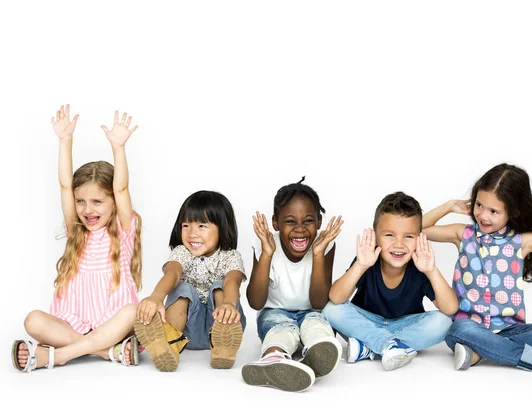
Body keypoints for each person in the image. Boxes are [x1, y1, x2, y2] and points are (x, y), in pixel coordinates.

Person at [423, 163, 532, 375]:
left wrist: (531, 206)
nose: (483, 215)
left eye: (494, 211)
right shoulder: (462, 235)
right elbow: (417, 229)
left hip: (510, 328)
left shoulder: (522, 242)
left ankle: (480, 353)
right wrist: (447, 206)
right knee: (458, 329)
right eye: (479, 205)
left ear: (513, 211)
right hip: (468, 327)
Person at [13, 105, 143, 372]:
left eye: (97, 201)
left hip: (112, 320)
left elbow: (121, 187)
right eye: (81, 201)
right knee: (33, 321)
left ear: (113, 204)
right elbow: (64, 185)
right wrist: (65, 141)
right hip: (74, 322)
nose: (87, 210)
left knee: (132, 312)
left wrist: (118, 148)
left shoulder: (123, 228)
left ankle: (56, 356)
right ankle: (107, 352)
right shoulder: (77, 231)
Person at [323, 191, 457, 371]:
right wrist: (360, 266)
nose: (399, 244)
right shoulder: (368, 259)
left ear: (419, 238)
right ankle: (391, 345)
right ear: (376, 236)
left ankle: (370, 349)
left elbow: (450, 308)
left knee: (444, 322)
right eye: (389, 235)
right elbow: (336, 297)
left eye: (408, 236)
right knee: (331, 310)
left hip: (402, 325)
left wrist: (431, 271)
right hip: (366, 324)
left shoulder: (420, 267)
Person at [241, 177, 343, 392]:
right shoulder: (264, 244)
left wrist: (318, 254)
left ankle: (316, 352)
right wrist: (267, 254)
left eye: (308, 221)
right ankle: (272, 358)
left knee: (317, 323)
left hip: (312, 311)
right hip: (274, 311)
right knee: (281, 328)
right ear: (275, 223)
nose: (300, 229)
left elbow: (319, 300)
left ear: (319, 221)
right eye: (290, 221)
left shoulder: (325, 244)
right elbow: (256, 302)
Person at [135, 191, 246, 372]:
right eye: (186, 225)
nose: (192, 233)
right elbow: (173, 273)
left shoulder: (230, 256)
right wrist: (156, 297)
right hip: (185, 331)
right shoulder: (182, 252)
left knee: (220, 287)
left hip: (220, 322)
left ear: (222, 228)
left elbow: (233, 281)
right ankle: (169, 344)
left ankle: (222, 347)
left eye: (202, 226)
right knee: (182, 288)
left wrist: (229, 304)